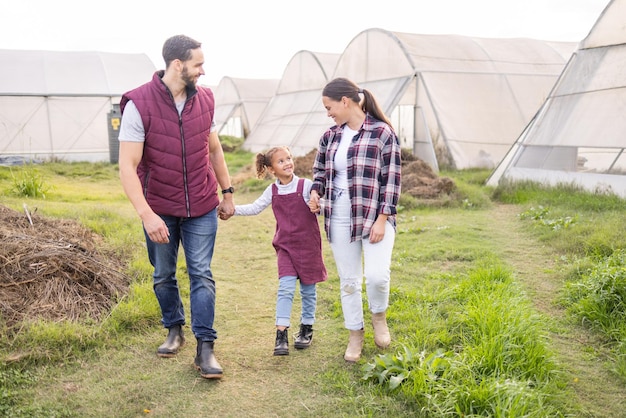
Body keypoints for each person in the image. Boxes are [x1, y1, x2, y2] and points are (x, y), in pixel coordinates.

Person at [118, 34, 235, 380]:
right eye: (198, 64)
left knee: (201, 273)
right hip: (160, 207)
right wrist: (146, 214)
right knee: (163, 275)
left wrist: (227, 192)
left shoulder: (206, 100)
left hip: (201, 203)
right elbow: (127, 166)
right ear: (178, 65)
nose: (203, 70)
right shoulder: (139, 104)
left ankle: (205, 347)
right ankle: (174, 329)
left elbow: (213, 149)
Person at [308, 77, 401, 363]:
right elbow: (320, 170)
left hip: (374, 217)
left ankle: (379, 316)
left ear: (345, 102)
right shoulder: (330, 136)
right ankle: (355, 335)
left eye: (329, 106)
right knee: (349, 281)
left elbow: (393, 180)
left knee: (376, 276)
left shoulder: (383, 133)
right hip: (338, 216)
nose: (328, 113)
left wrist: (382, 218)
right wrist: (315, 191)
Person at [232, 146, 327, 356]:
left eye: (289, 158)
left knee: (308, 291)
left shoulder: (306, 185)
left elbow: (321, 206)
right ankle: (281, 335)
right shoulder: (273, 190)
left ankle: (306, 329)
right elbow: (255, 207)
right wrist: (233, 210)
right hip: (285, 247)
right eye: (281, 161)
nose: (288, 163)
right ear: (272, 170)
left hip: (308, 247)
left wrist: (318, 206)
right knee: (285, 289)